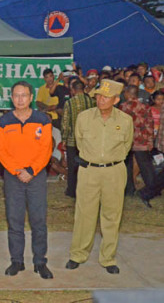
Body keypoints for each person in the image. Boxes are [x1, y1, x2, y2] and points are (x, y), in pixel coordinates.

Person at [66, 79, 133, 275]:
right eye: (99, 96)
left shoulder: (125, 121)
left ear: (116, 99)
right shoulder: (84, 118)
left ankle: (108, 258)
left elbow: (126, 147)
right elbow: (79, 143)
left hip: (114, 171)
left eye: (106, 97)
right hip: (89, 171)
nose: (101, 100)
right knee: (84, 214)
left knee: (112, 216)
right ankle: (78, 254)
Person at [0, 81, 53, 279]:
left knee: (38, 220)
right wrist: (16, 170)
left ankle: (40, 261)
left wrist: (31, 170)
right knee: (15, 220)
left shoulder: (43, 119)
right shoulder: (3, 122)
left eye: (24, 95)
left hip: (36, 176)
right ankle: (16, 261)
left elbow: (46, 149)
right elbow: (1, 151)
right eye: (16, 95)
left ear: (31, 97)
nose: (20, 99)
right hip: (13, 177)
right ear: (11, 98)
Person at [119, 85, 155, 197]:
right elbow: (150, 124)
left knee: (127, 166)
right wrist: (150, 141)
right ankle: (153, 188)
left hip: (128, 141)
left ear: (128, 93)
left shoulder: (123, 107)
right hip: (142, 140)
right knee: (146, 166)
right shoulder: (145, 106)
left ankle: (129, 189)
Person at [61, 80, 95, 198]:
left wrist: (64, 139)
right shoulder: (91, 101)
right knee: (87, 165)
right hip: (88, 139)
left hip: (73, 139)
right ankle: (86, 189)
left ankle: (72, 190)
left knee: (72, 166)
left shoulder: (69, 103)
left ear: (73, 90)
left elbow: (65, 122)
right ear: (84, 89)